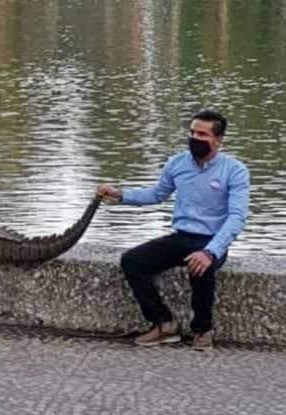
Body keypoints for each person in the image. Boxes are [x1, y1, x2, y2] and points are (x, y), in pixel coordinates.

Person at [97, 109, 250, 350]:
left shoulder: (235, 170)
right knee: (132, 261)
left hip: (211, 240)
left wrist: (211, 252)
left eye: (202, 134)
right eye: (192, 132)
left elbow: (237, 218)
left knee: (200, 267)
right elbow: (157, 194)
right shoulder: (177, 163)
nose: (194, 138)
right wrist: (121, 195)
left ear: (218, 140)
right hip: (182, 237)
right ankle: (163, 324)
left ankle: (202, 329)